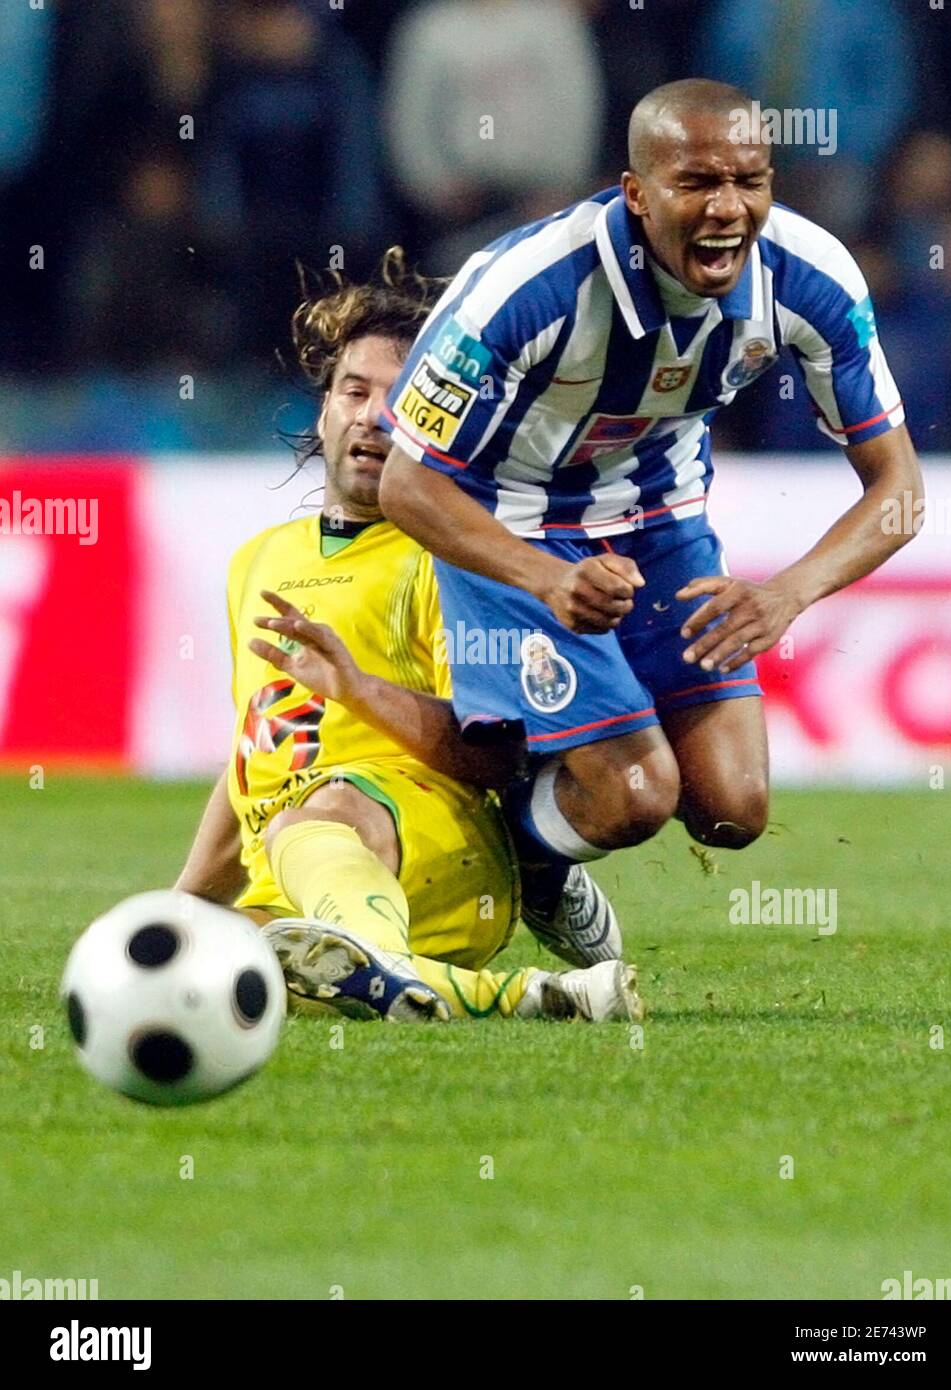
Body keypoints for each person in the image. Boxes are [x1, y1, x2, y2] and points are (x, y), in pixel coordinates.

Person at [377, 78, 923, 925]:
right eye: (698, 183)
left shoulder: (809, 279)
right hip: (510, 519)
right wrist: (544, 579)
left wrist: (788, 592)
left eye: (750, 181)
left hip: (662, 523)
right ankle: (529, 840)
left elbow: (900, 492)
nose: (729, 209)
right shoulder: (527, 289)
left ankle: (533, 817)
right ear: (636, 193)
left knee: (733, 810)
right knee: (636, 795)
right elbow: (406, 483)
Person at [175, 251, 640, 1025]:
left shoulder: (456, 559)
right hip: (292, 874)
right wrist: (184, 905)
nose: (372, 416)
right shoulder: (255, 562)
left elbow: (498, 757)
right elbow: (253, 756)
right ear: (323, 409)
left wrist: (359, 690)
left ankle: (372, 954)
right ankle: (528, 997)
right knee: (212, 968)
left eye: (400, 400)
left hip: (441, 851)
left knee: (320, 812)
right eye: (353, 391)